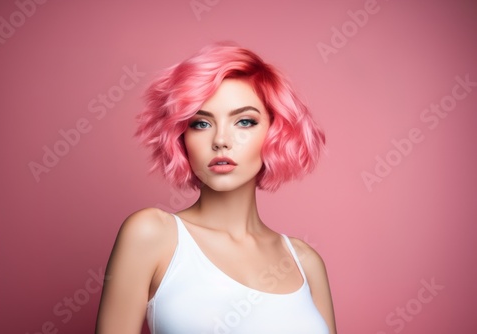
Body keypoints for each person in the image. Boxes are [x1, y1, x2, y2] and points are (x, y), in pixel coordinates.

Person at [96, 42, 336, 334]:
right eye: (201, 123)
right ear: (180, 136)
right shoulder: (153, 235)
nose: (221, 140)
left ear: (275, 132)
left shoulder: (305, 262)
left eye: (244, 121)